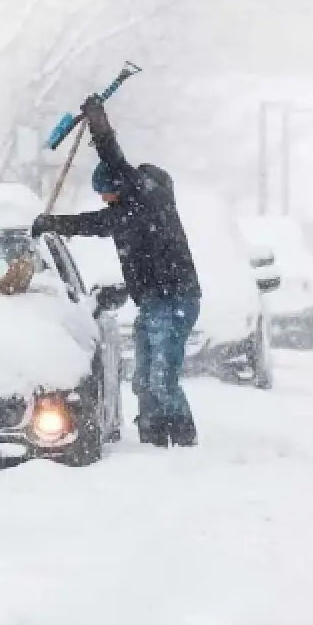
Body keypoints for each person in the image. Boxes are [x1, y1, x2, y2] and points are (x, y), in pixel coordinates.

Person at [31, 95, 202, 447]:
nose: (104, 200)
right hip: (153, 300)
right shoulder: (128, 211)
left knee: (161, 381)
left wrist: (99, 125)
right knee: (142, 380)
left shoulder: (145, 199)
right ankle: (153, 439)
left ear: (119, 188)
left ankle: (183, 440)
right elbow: (100, 224)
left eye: (106, 193)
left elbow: (111, 162)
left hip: (174, 300)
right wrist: (55, 225)